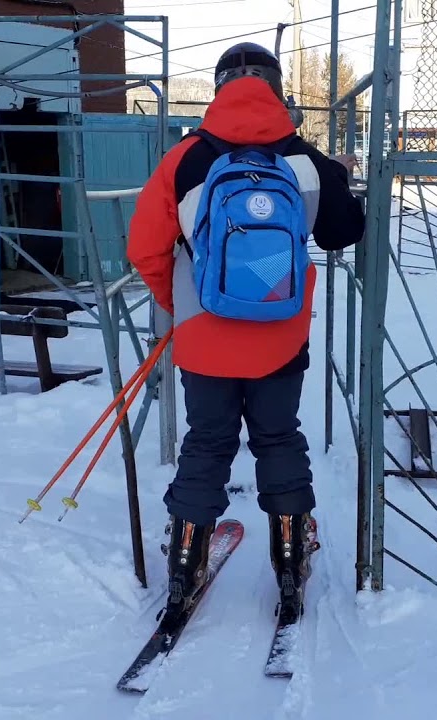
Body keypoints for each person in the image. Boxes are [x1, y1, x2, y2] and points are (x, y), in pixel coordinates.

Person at [126, 42, 365, 619]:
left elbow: (144, 248)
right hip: (279, 335)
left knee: (206, 442)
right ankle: (289, 557)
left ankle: (185, 564)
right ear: (276, 88)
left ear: (218, 88)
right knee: (278, 438)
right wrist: (336, 180)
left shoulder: (185, 158)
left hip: (205, 337)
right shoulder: (303, 158)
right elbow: (343, 231)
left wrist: (179, 304)